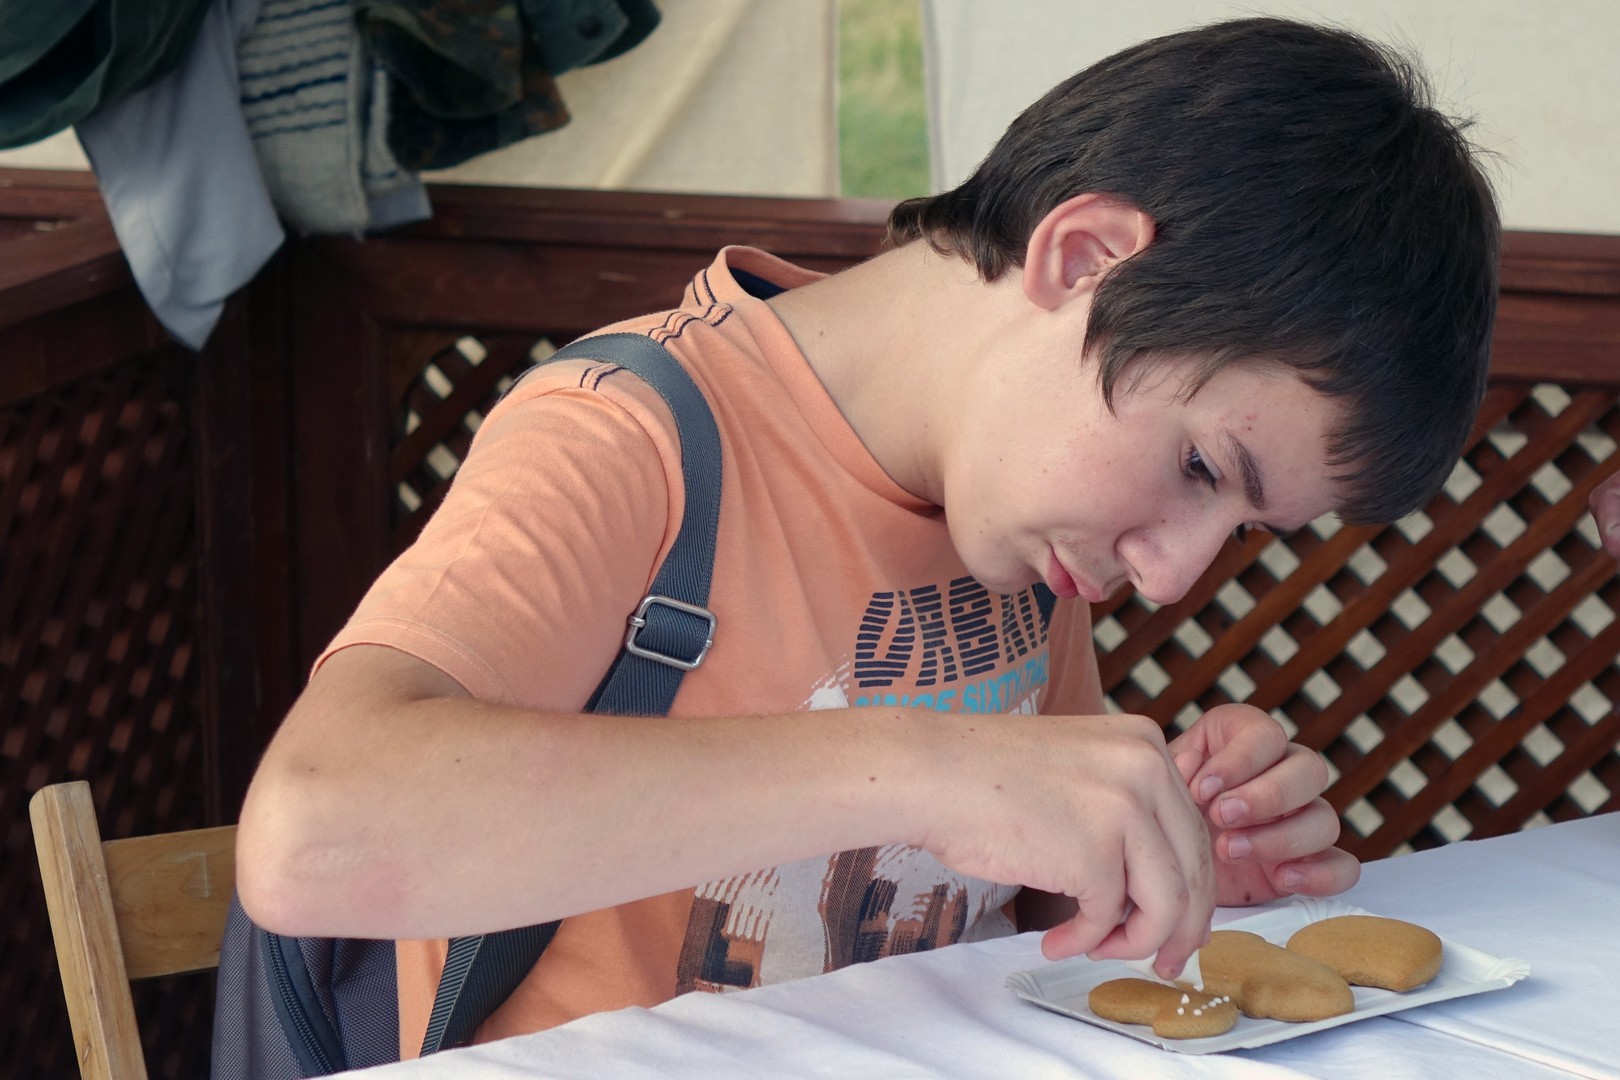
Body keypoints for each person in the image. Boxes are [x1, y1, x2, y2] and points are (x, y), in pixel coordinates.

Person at [236, 16, 1500, 1054]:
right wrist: (924, 769)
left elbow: (982, 903)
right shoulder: (632, 439)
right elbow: (311, 838)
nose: (1172, 574)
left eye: (1243, 526)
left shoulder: (1022, 522)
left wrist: (1152, 858)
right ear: (1083, 259)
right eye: (1201, 467)